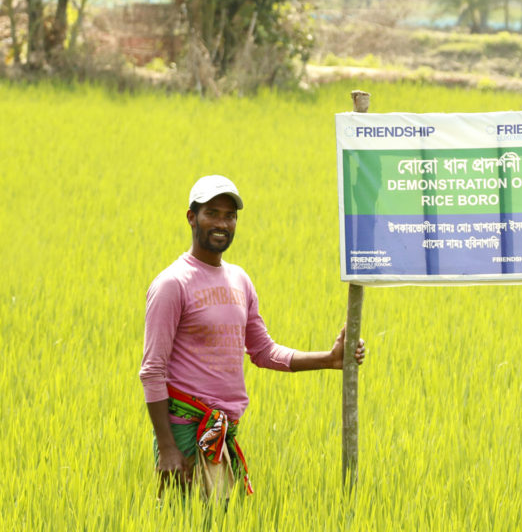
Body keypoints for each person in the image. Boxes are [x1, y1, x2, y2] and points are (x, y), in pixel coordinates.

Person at [139, 174, 365, 499]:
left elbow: (264, 351)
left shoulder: (239, 280)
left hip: (222, 432)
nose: (222, 223)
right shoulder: (172, 284)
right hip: (186, 433)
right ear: (191, 217)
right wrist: (167, 448)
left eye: (229, 215)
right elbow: (152, 371)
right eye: (212, 213)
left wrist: (330, 359)